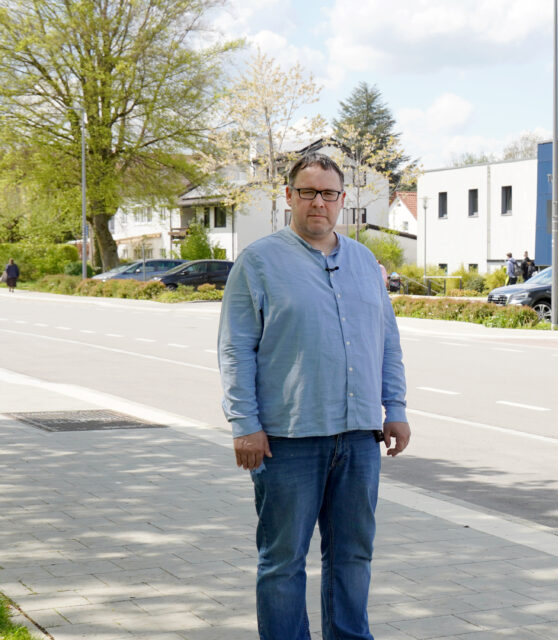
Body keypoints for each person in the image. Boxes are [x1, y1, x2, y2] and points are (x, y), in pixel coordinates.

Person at [218, 152, 410, 640]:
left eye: (328, 193)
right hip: (287, 441)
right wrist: (245, 424)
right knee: (282, 562)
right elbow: (235, 348)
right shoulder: (258, 263)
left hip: (359, 438)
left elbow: (386, 340)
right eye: (307, 192)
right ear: (288, 197)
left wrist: (397, 409)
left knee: (353, 556)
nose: (318, 202)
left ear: (343, 201)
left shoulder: (366, 263)